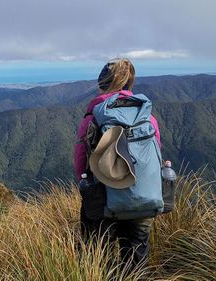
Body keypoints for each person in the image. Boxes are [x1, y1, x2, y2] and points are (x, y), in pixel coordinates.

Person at [73, 58, 162, 268]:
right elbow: (156, 152)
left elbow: (80, 158)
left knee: (96, 253)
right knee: (136, 252)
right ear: (130, 83)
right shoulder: (147, 117)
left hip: (103, 197)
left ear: (101, 83)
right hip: (143, 196)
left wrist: (85, 186)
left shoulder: (94, 117)